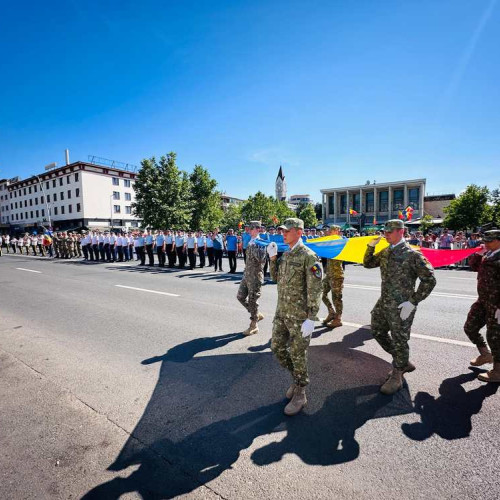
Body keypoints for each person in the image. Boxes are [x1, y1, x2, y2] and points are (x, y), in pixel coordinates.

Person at [363, 219, 436, 395]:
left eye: (390, 231)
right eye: (385, 231)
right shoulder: (386, 251)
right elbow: (368, 263)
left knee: (400, 339)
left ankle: (397, 375)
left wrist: (413, 301)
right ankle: (402, 361)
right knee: (377, 331)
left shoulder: (413, 254)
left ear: (401, 232)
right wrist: (370, 247)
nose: (386, 234)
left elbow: (430, 280)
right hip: (385, 301)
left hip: (403, 305)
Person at [267, 217, 323, 416]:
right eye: (282, 230)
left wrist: (312, 317)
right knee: (278, 348)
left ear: (299, 232)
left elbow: (316, 288)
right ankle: (298, 379)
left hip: (300, 317)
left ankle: (301, 392)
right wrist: (273, 259)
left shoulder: (309, 256)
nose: (283, 233)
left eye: (287, 230)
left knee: (298, 355)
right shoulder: (286, 254)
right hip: (281, 312)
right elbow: (275, 279)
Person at [463, 230, 500, 382]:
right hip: (483, 300)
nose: (486, 243)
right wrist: (478, 254)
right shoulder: (488, 254)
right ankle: (485, 354)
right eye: (485, 240)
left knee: (495, 336)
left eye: (490, 240)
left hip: (496, 304)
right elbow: (473, 266)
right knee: (469, 327)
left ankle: (497, 371)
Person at [237, 221, 267, 335]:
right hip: (247, 274)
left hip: (255, 276)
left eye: (251, 228)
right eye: (248, 228)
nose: (248, 230)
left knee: (253, 300)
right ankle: (256, 314)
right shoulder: (251, 241)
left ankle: (253, 325)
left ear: (258, 229)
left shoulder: (260, 243)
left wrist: (254, 245)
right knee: (240, 296)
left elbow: (261, 259)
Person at [321, 224, 345, 329]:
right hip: (329, 274)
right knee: (321, 294)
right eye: (329, 230)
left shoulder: (341, 242)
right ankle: (331, 312)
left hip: (337, 275)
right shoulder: (329, 242)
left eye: (331, 231)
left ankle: (338, 318)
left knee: (337, 298)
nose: (329, 232)